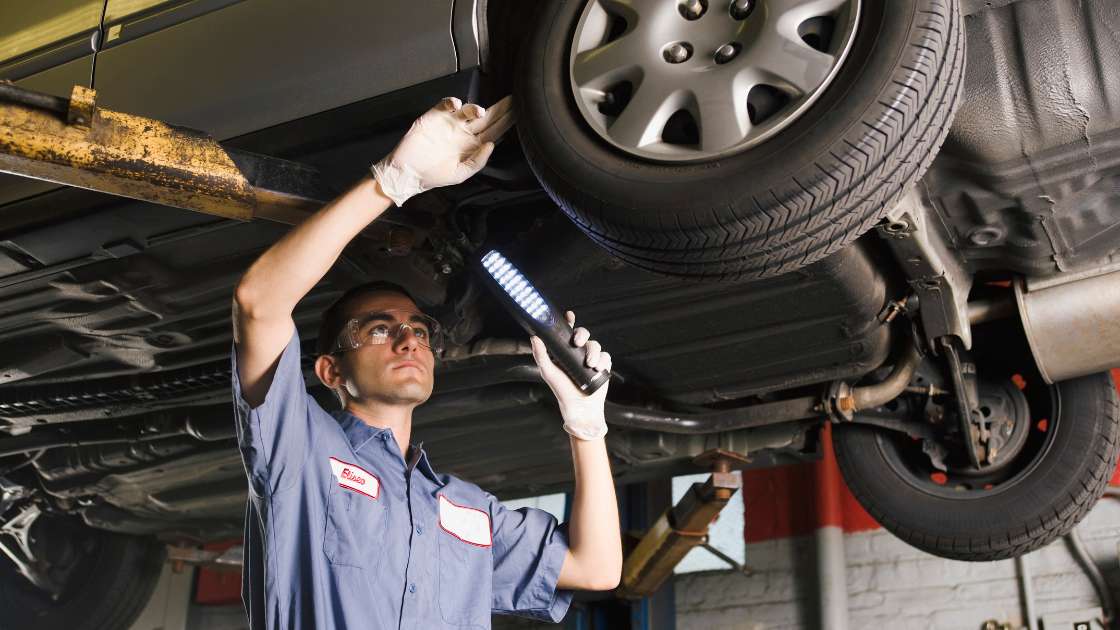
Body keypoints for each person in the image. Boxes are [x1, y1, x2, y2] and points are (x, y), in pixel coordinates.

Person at [230, 95, 622, 629]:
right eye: (379, 329)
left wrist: (586, 427)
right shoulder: (301, 451)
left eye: (418, 329)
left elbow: (597, 569)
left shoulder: (464, 510)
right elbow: (259, 303)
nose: (408, 340)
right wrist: (393, 181)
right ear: (330, 371)